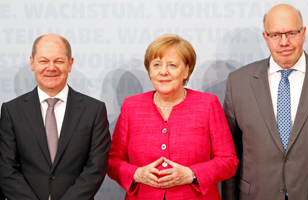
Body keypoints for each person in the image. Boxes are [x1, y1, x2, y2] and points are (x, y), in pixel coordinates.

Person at [222, 4, 308, 200]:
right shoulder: (238, 83)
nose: (284, 42)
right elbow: (230, 157)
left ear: (304, 33)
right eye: (275, 35)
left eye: (291, 33)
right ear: (265, 38)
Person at [108, 34, 238, 200]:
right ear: (149, 71)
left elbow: (228, 161)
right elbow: (113, 161)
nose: (163, 72)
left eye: (172, 65)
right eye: (156, 64)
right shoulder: (131, 106)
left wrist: (191, 174)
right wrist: (136, 174)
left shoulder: (208, 104)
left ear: (186, 70)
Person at [0, 33, 111, 200]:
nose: (51, 68)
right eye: (43, 61)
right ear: (32, 63)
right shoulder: (11, 111)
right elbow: (6, 168)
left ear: (70, 64)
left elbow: (96, 168)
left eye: (58, 61)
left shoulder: (94, 110)